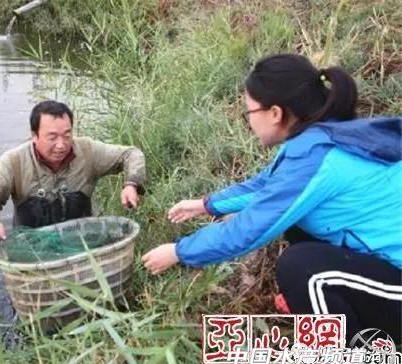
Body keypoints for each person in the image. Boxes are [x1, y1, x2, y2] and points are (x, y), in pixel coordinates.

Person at [142, 54, 401, 343]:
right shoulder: (322, 137)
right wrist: (206, 205)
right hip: (386, 259)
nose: (249, 122)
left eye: (249, 113)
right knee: (296, 225)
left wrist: (179, 251)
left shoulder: (319, 158)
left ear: (275, 113)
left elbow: (247, 230)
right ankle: (329, 305)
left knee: (301, 269)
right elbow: (268, 187)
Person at [0, 100, 146, 245]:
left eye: (67, 135)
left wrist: (131, 184)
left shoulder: (88, 151)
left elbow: (131, 154)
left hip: (81, 245)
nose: (61, 145)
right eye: (52, 137)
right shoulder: (14, 161)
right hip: (33, 249)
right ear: (34, 135)